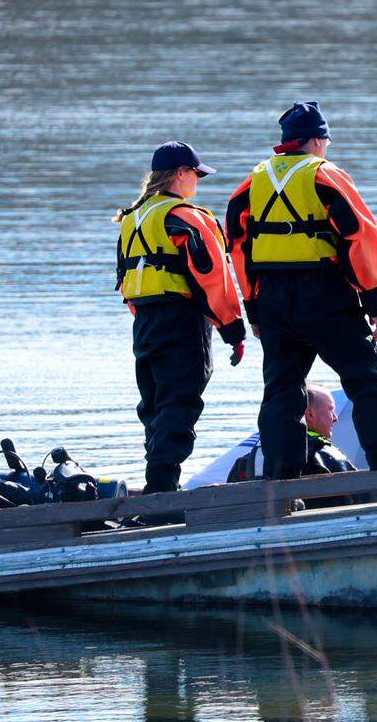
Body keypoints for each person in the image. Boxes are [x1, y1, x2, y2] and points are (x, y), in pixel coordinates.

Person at [226, 101, 377, 479]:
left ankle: (282, 487)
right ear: (315, 140)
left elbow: (238, 247)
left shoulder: (252, 182)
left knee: (282, 392)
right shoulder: (325, 175)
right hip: (325, 293)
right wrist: (374, 301)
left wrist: (254, 308)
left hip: (273, 300)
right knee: (368, 379)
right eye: (325, 139)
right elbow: (361, 237)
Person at [115, 141, 246, 494]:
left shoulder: (132, 219)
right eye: (196, 175)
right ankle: (161, 491)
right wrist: (233, 330)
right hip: (182, 320)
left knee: (155, 405)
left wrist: (146, 317)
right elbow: (214, 276)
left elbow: (126, 281)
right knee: (181, 401)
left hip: (144, 322)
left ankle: (159, 482)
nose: (198, 182)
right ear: (179, 174)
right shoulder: (187, 217)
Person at [228, 383, 359, 482]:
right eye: (331, 410)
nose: (335, 418)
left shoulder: (248, 459)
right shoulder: (324, 454)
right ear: (310, 414)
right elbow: (360, 491)